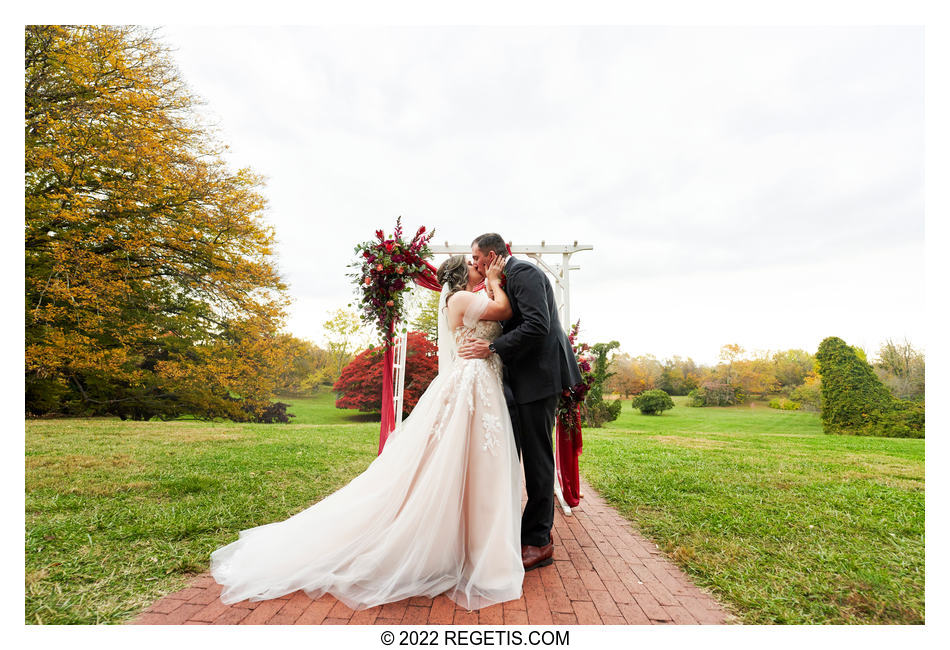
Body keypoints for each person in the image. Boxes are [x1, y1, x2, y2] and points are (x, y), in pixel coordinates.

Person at [210, 254, 524, 611]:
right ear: (459, 275)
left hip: (480, 381)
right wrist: (497, 280)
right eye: (471, 265)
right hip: (473, 382)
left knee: (472, 463)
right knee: (462, 459)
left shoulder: (462, 299)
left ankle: (473, 544)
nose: (477, 267)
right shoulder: (462, 298)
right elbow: (504, 312)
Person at [459, 234, 582, 571]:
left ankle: (539, 541)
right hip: (522, 378)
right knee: (518, 453)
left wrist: (492, 348)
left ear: (492, 255)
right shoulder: (505, 279)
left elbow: (537, 325)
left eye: (476, 257)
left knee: (538, 459)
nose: (475, 264)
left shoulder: (524, 273)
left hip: (539, 378)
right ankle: (521, 529)